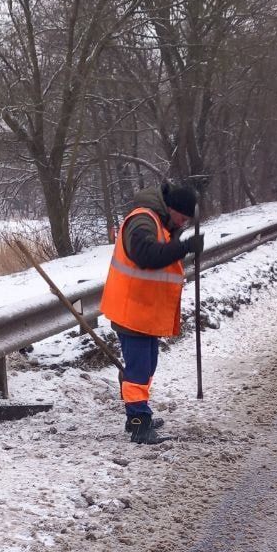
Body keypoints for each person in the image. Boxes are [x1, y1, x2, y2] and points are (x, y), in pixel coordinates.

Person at [100, 182, 204, 445]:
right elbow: (145, 255)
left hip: (142, 312)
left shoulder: (162, 222)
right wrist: (184, 247)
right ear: (171, 208)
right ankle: (138, 425)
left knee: (146, 367)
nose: (183, 223)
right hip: (131, 310)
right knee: (138, 370)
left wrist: (178, 238)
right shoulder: (143, 221)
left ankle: (138, 415)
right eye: (182, 217)